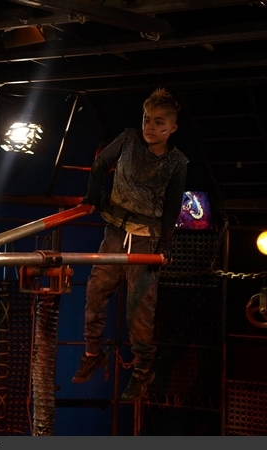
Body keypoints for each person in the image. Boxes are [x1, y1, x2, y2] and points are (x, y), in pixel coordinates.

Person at [72, 87, 188, 401]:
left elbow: (172, 208)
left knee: (139, 312)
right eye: (147, 119)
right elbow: (100, 165)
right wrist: (93, 196)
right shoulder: (128, 139)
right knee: (95, 293)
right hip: (115, 232)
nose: (150, 127)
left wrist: (165, 245)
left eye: (158, 121)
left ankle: (142, 372)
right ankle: (93, 354)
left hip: (145, 239)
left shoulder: (177, 163)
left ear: (172, 128)